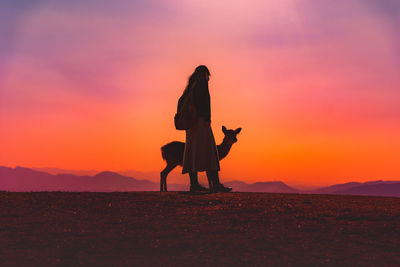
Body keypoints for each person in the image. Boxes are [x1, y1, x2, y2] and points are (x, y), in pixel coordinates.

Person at [180, 65, 232, 193]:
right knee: (210, 152)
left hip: (191, 124)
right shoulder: (202, 82)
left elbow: (181, 102)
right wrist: (207, 118)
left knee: (193, 152)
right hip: (201, 122)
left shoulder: (190, 87)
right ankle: (216, 184)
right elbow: (205, 101)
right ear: (205, 74)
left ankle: (194, 184)